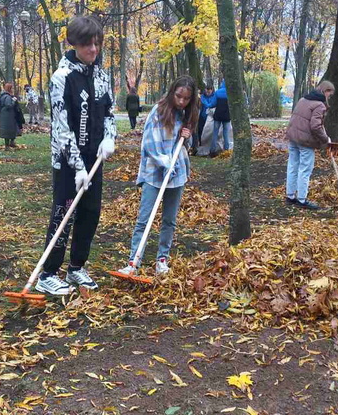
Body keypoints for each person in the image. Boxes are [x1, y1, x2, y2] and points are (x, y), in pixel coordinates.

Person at [36, 16, 117, 296]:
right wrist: (78, 167)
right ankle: (47, 273)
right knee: (64, 213)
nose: (93, 50)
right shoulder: (61, 78)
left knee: (90, 212)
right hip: (68, 162)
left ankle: (76, 267)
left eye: (97, 44)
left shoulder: (102, 76)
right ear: (73, 43)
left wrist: (109, 138)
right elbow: (62, 127)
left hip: (95, 159)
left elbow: (109, 113)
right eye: (87, 45)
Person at [117, 76, 199, 277]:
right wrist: (165, 162)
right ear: (172, 92)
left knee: (169, 220)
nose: (181, 101)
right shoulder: (158, 111)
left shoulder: (186, 114)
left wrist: (186, 138)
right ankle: (133, 262)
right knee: (144, 219)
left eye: (186, 98)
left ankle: (162, 260)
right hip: (155, 173)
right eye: (179, 96)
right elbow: (150, 144)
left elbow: (183, 147)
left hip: (176, 173)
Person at [284, 80, 335, 210]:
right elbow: (315, 126)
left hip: (293, 137)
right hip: (305, 141)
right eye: (330, 94)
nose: (329, 97)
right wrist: (325, 139)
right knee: (305, 169)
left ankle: (290, 196)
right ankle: (301, 199)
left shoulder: (303, 99)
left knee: (292, 166)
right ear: (326, 91)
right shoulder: (319, 105)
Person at [209, 81, 231, 155]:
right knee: (226, 133)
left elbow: (213, 104)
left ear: (222, 84)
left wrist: (207, 104)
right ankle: (226, 150)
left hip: (218, 116)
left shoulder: (217, 92)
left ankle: (213, 150)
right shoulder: (230, 93)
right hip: (227, 116)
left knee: (215, 133)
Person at [0, 83, 21, 148]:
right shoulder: (7, 97)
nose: (12, 89)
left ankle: (10, 144)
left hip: (4, 116)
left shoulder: (2, 96)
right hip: (9, 116)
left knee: (7, 130)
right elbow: (9, 105)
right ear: (9, 89)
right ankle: (8, 145)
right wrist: (13, 100)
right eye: (11, 88)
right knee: (10, 129)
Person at [197, 83, 216, 153]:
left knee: (210, 131)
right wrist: (208, 105)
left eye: (209, 91)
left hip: (211, 117)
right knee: (200, 130)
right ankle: (201, 144)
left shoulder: (214, 96)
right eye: (206, 91)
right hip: (202, 116)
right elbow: (203, 102)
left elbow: (213, 103)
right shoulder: (202, 96)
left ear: (212, 90)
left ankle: (209, 145)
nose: (207, 92)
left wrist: (210, 105)